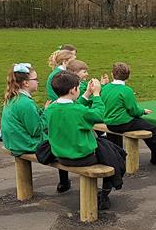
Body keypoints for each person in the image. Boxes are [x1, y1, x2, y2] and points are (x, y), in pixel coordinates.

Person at [45, 71, 126, 210]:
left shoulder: (51, 108)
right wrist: (96, 95)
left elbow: (71, 107)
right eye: (78, 87)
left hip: (60, 155)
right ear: (73, 90)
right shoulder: (78, 110)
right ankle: (104, 195)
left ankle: (104, 193)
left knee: (107, 147)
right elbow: (99, 115)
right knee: (114, 155)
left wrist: (86, 94)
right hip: (81, 157)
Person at [1, 63, 71, 193]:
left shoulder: (16, 97)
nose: (38, 82)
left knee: (59, 138)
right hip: (24, 144)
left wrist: (43, 111)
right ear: (26, 83)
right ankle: (65, 181)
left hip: (14, 141)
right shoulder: (25, 103)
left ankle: (64, 181)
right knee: (62, 141)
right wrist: (48, 112)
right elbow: (36, 130)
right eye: (35, 79)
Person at [101, 62, 156, 165]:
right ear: (128, 76)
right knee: (152, 129)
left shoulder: (105, 88)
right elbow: (133, 110)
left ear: (112, 74)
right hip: (122, 123)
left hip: (109, 122)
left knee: (144, 125)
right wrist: (143, 111)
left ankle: (117, 157)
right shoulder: (126, 90)